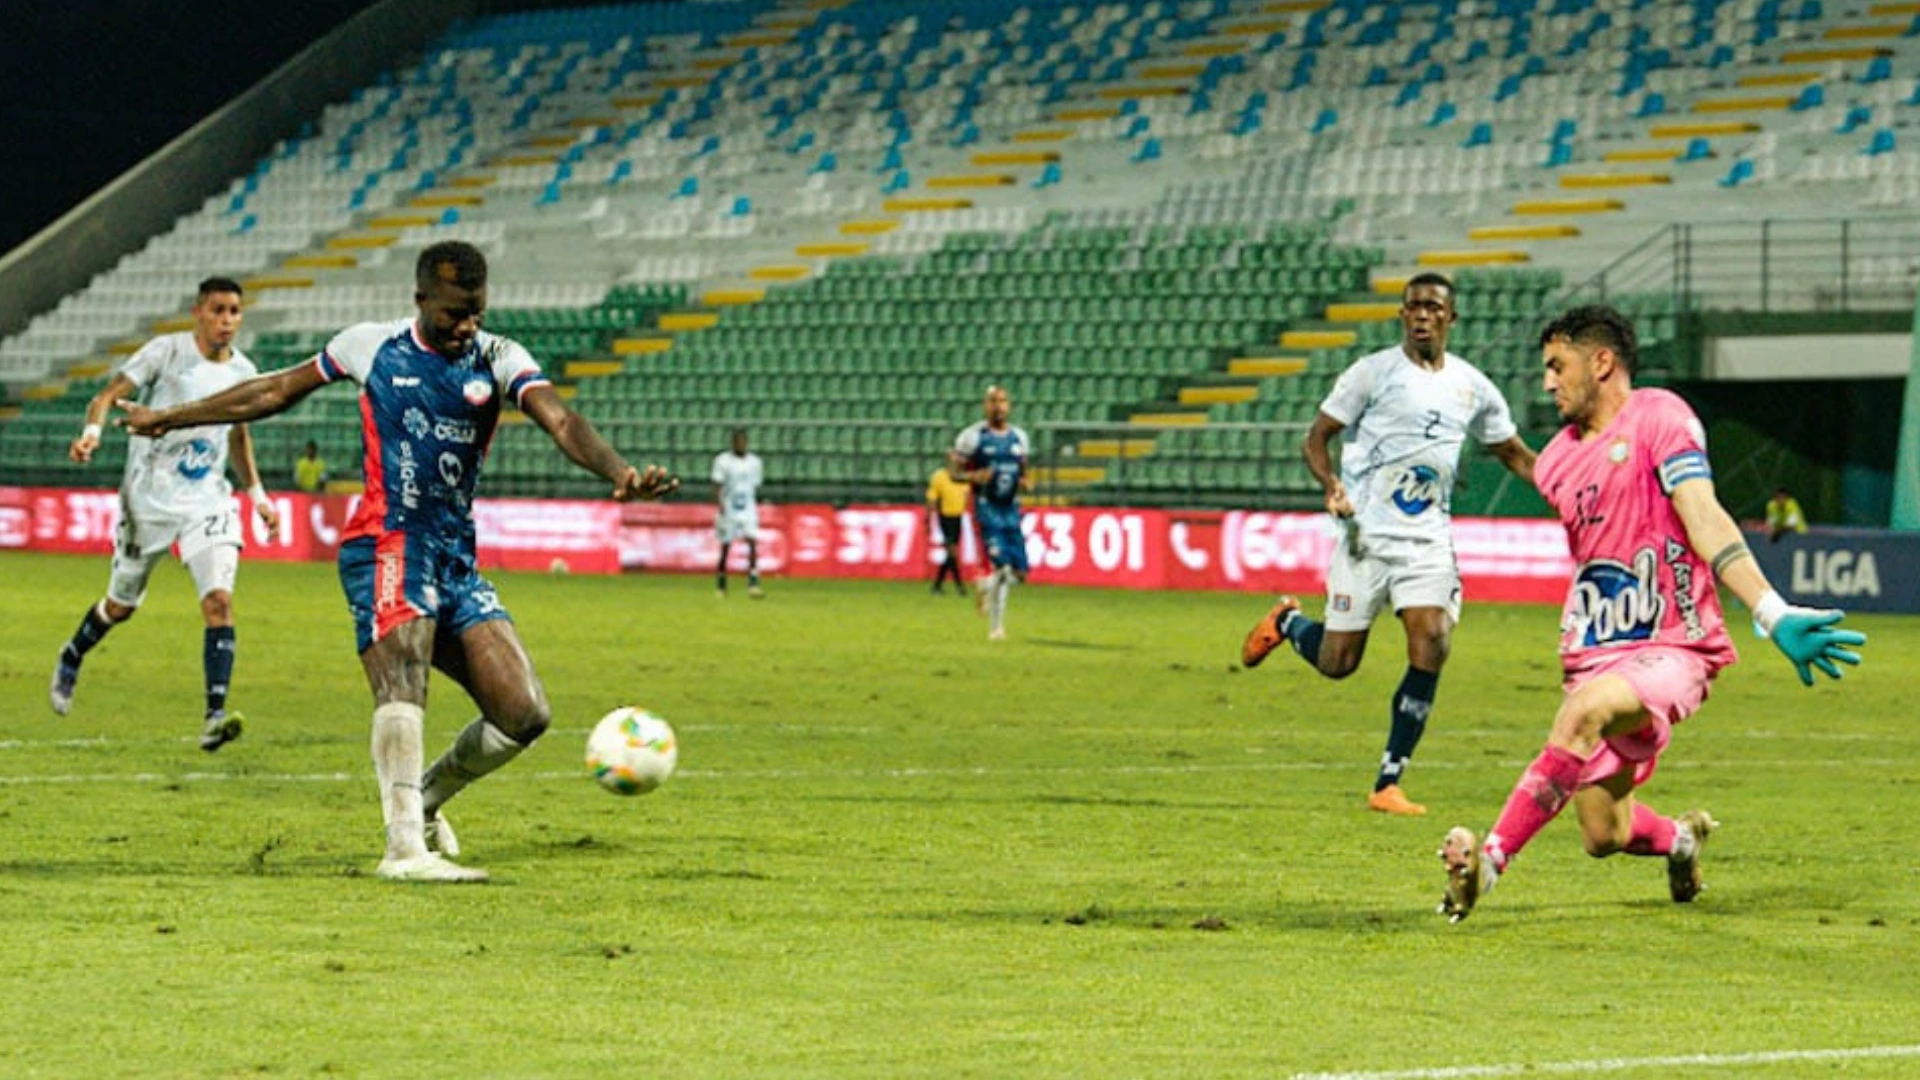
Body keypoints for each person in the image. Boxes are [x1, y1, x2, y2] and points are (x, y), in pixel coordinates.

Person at [118, 241, 679, 883]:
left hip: (454, 556)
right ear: (421, 302)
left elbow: (561, 420)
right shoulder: (371, 346)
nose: (466, 326)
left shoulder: (499, 358)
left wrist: (619, 472)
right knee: (404, 676)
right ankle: (404, 850)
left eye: (475, 312)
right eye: (453, 314)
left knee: (524, 714)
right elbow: (273, 391)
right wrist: (170, 418)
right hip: (385, 540)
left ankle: (430, 799)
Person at [1437, 305, 1866, 922]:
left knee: (1582, 714)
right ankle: (1682, 840)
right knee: (1602, 834)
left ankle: (1490, 865)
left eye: (1558, 367)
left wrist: (1769, 610)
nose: (1548, 382)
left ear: (1602, 362)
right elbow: (1556, 478)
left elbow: (1702, 512)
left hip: (1673, 644)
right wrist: (1503, 447)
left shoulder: (1662, 417)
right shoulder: (1557, 458)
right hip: (1597, 653)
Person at [1240, 273, 1537, 816]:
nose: (1422, 315)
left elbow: (1515, 454)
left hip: (1426, 542)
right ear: (1402, 316)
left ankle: (1387, 782)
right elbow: (1316, 437)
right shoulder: (1371, 373)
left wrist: (1570, 488)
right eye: (1413, 307)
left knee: (1433, 640)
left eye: (1433, 307)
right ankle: (1287, 623)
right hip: (1366, 539)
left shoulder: (1473, 387)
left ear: (1451, 318)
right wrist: (1331, 485)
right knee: (1337, 662)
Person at [51, 276, 281, 752]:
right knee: (121, 605)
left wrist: (257, 494)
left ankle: (214, 716)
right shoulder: (167, 352)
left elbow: (239, 436)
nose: (226, 321)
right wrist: (92, 434)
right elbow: (107, 396)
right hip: (147, 503)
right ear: (198, 311)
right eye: (217, 310)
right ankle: (73, 654)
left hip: (207, 501)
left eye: (234, 312)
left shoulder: (245, 371)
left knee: (219, 602)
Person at [955, 385, 1030, 640]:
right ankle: (997, 629)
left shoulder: (1019, 438)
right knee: (1001, 564)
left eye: (1002, 401)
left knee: (1018, 573)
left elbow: (1023, 471)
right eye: (992, 401)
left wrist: (1025, 481)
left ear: (1009, 405)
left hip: (1011, 509)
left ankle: (986, 585)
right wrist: (973, 475)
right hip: (986, 508)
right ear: (985, 405)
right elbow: (954, 472)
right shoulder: (972, 437)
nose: (998, 406)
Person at [712, 427, 765, 599]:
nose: (740, 444)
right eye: (737, 441)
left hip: (748, 508)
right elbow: (717, 484)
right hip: (729, 508)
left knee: (752, 542)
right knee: (726, 545)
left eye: (742, 441)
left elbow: (755, 485)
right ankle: (721, 584)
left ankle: (753, 583)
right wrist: (720, 504)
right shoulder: (722, 461)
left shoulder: (755, 462)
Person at [925, 449, 971, 596]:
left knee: (951, 554)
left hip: (958, 517)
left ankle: (937, 586)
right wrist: (928, 518)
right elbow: (932, 498)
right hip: (945, 517)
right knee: (952, 551)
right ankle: (959, 586)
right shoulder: (939, 476)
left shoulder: (963, 478)